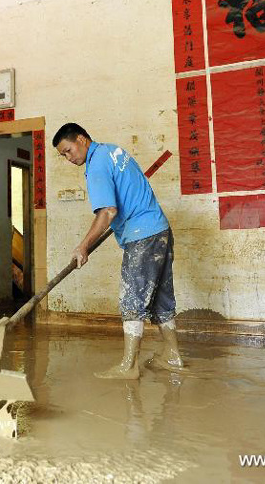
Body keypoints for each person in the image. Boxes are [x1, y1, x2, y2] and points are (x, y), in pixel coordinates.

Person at [52, 123, 184, 379]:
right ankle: (172, 355)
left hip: (142, 237)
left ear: (81, 139)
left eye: (68, 151)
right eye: (63, 155)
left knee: (132, 300)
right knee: (161, 300)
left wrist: (83, 246)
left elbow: (108, 211)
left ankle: (129, 366)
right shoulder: (113, 152)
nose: (68, 159)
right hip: (160, 231)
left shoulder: (97, 164)